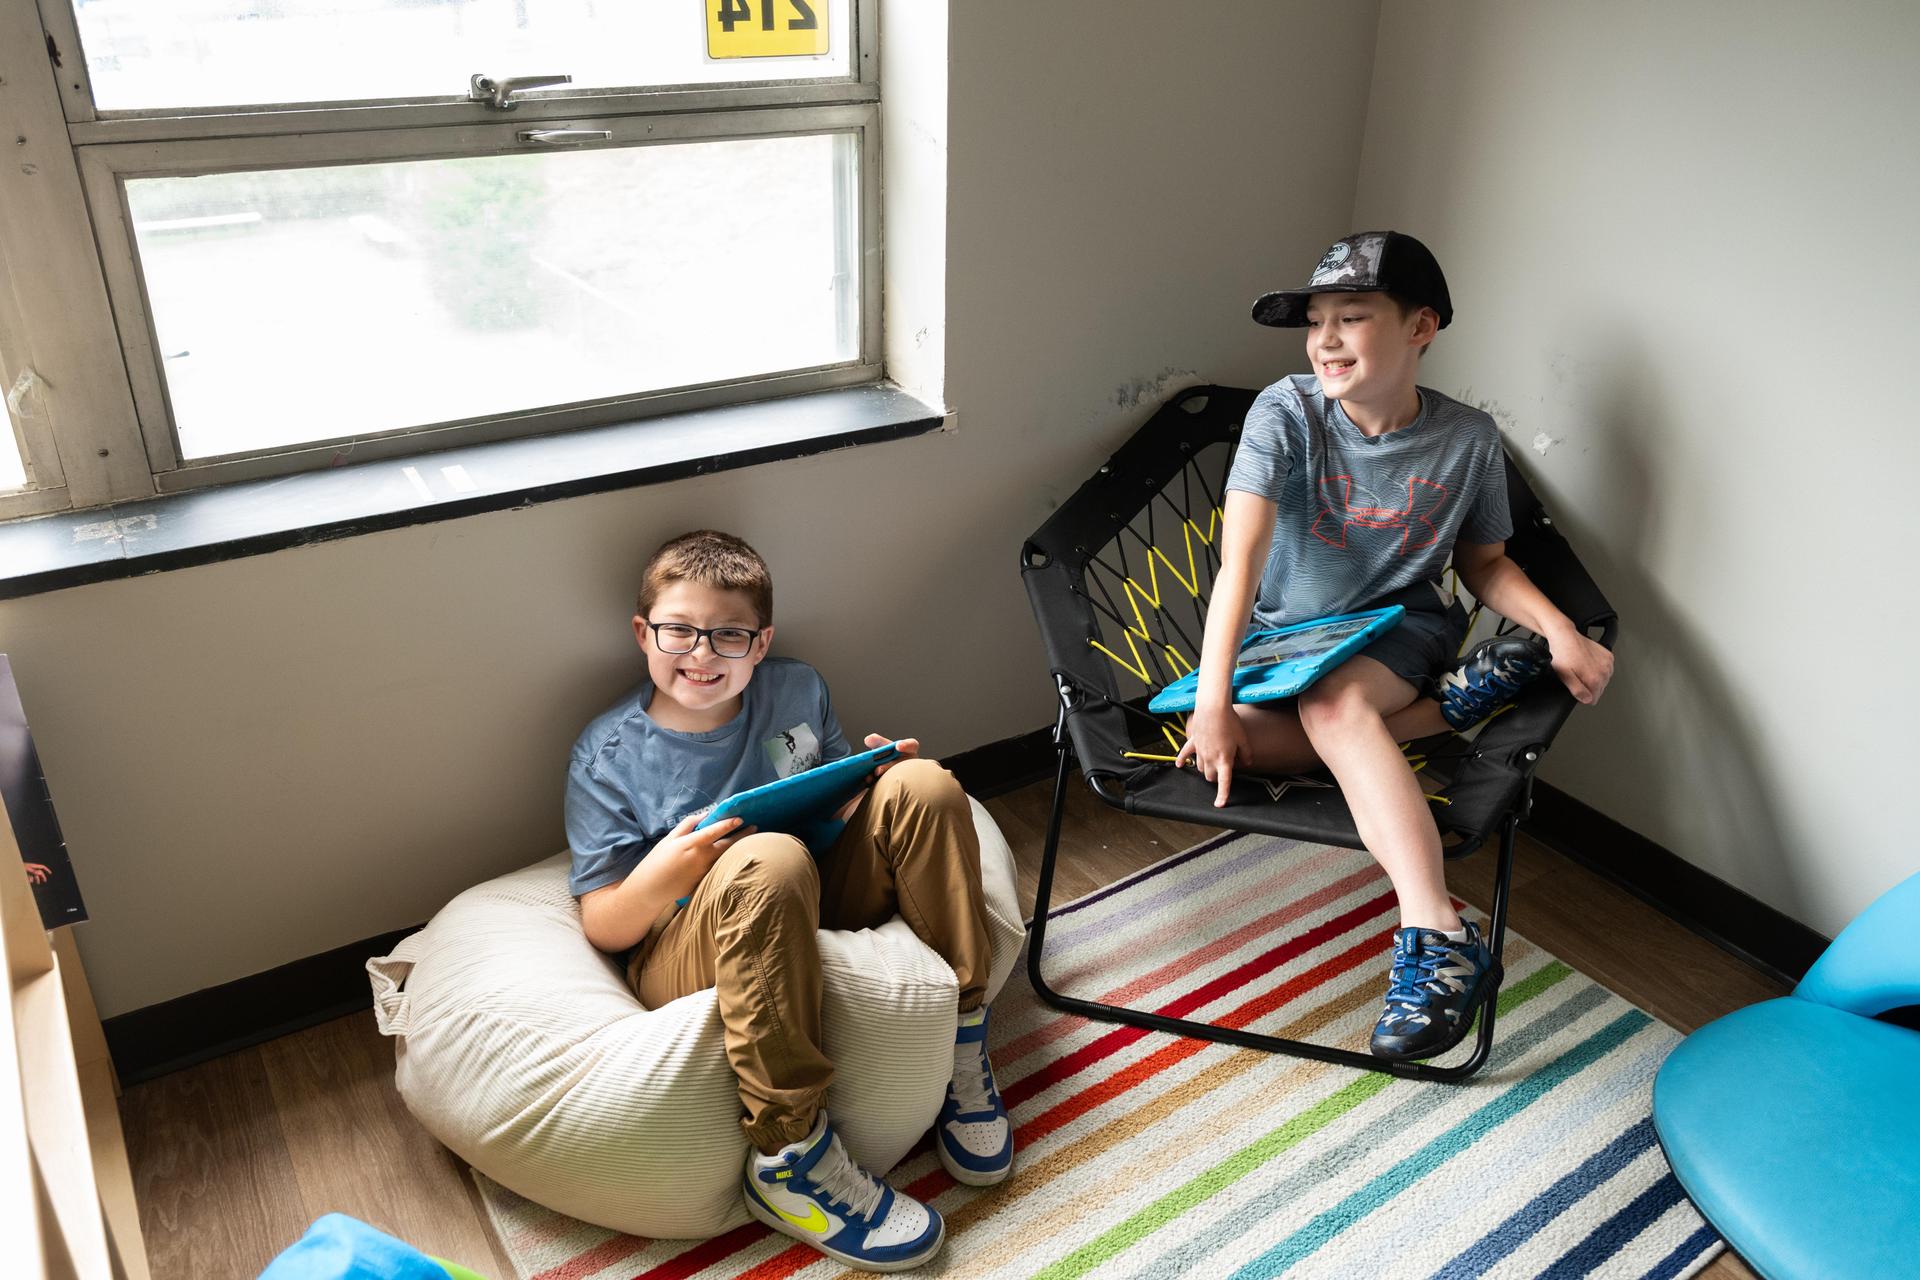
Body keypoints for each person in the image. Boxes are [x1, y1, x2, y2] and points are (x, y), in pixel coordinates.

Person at [1176, 232, 1615, 1060]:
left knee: (1337, 706)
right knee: (1231, 745)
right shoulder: (1286, 411)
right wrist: (1210, 702)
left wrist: (1559, 629)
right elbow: (1241, 562)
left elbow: (1484, 563)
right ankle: (1440, 715)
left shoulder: (1468, 440)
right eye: (1314, 322)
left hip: (1398, 628)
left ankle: (1436, 929)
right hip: (1289, 641)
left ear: (1421, 327)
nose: (1325, 340)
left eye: (1351, 317)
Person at [564, 530, 1011, 1273]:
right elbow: (605, 922)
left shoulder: (796, 688)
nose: (702, 655)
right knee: (765, 859)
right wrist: (667, 873)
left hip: (812, 884)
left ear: (760, 641)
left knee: (923, 784)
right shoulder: (608, 754)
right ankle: (789, 1157)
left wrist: (864, 787)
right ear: (644, 633)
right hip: (685, 945)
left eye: (728, 636)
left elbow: (827, 808)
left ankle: (964, 1042)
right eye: (679, 631)